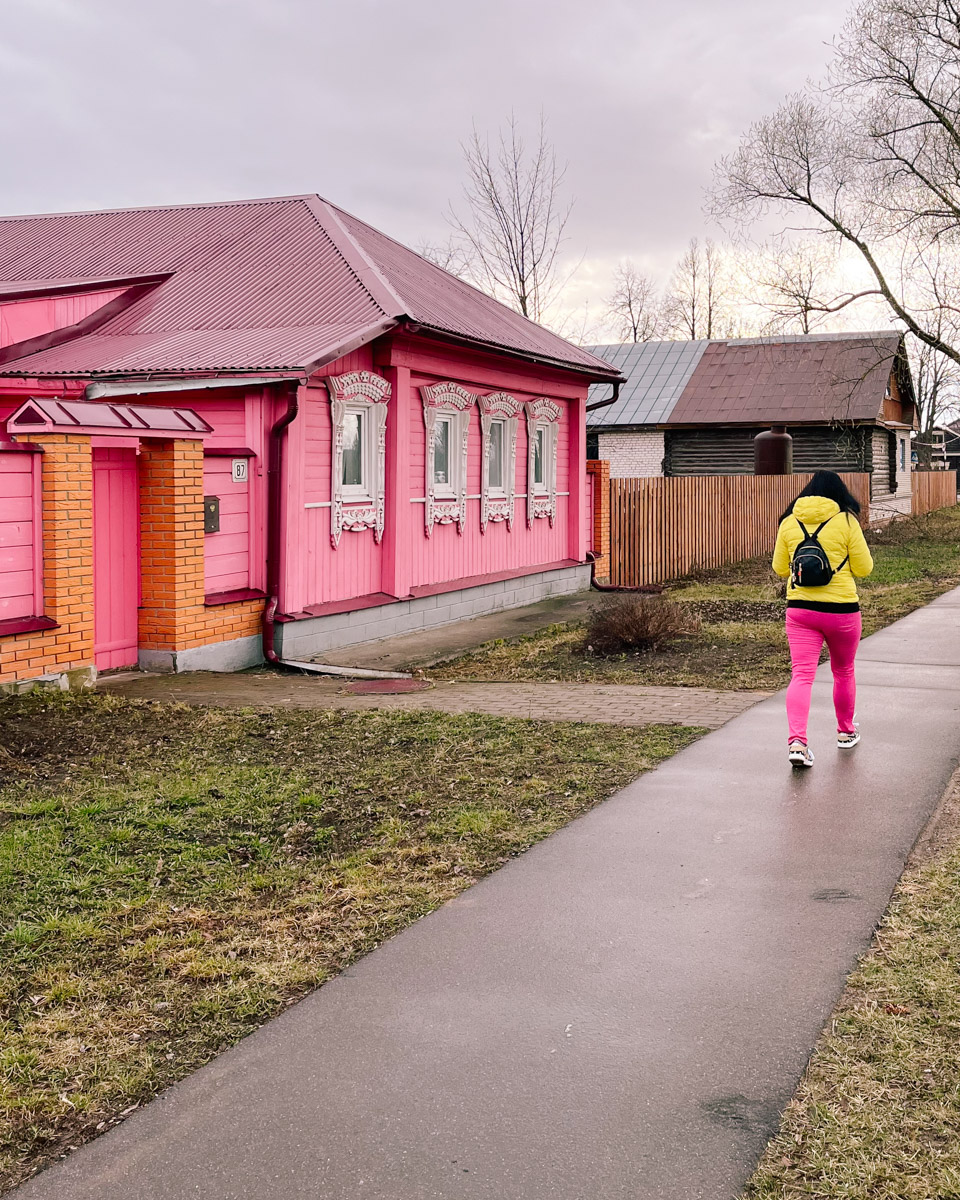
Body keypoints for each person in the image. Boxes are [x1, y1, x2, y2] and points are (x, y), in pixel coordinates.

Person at [772, 471, 874, 768]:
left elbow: (780, 568)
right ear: (839, 493)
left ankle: (797, 743)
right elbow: (865, 568)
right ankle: (845, 733)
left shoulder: (790, 521)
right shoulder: (845, 521)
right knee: (843, 671)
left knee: (802, 675)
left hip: (800, 610)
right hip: (842, 610)